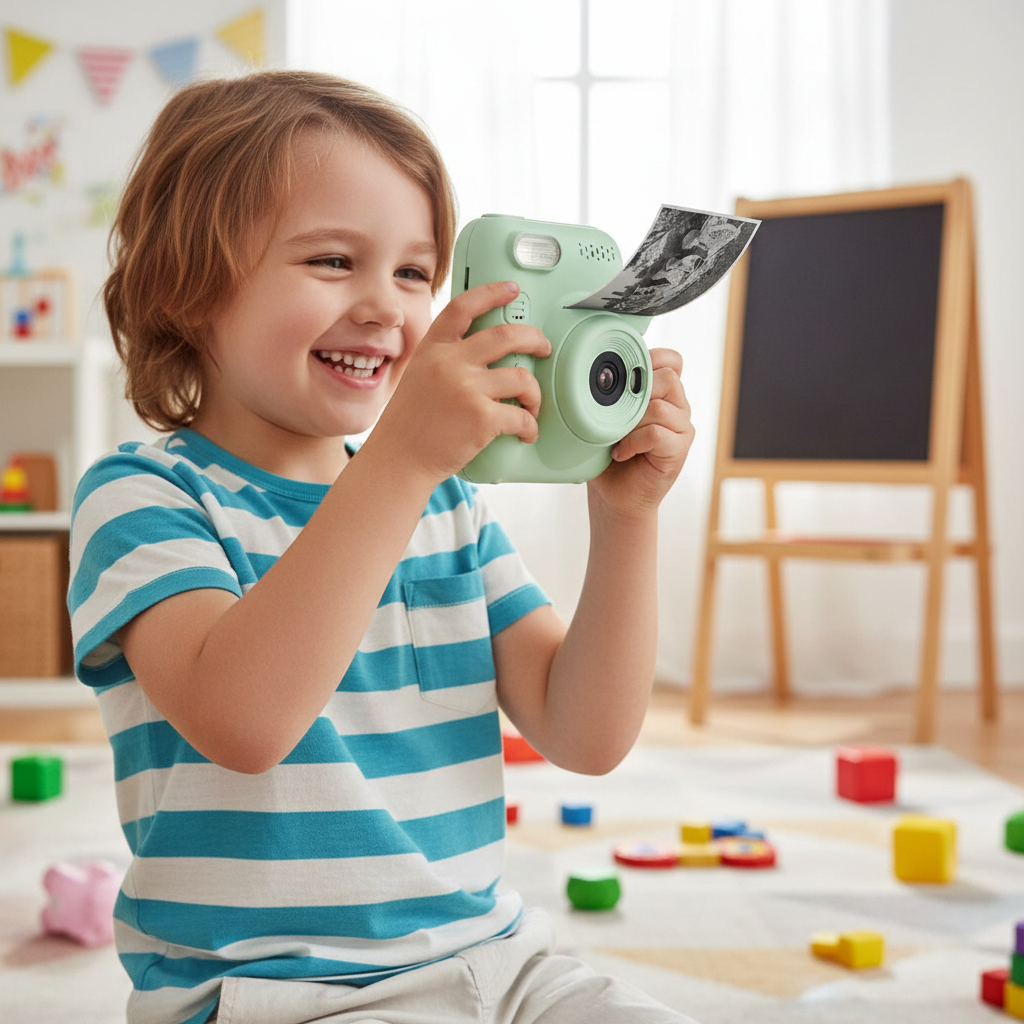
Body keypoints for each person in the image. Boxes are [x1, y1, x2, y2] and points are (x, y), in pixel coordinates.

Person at [68, 70, 697, 1024]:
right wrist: (398, 463)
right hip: (279, 993)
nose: (386, 307)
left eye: (413, 273)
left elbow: (586, 733)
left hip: (501, 962)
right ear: (187, 288)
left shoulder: (448, 501)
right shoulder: (145, 496)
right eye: (332, 262)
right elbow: (245, 721)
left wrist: (626, 522)